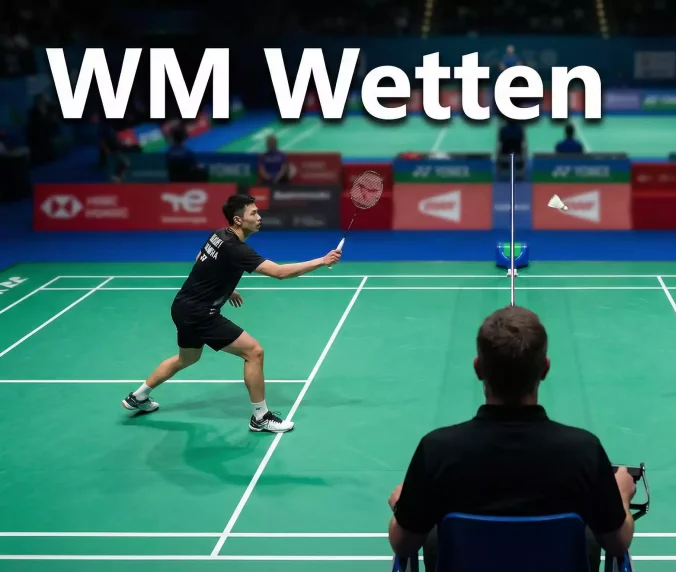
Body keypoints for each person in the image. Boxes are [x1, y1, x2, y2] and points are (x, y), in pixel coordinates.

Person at [387, 305, 637, 571]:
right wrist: (621, 495)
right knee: (589, 536)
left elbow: (402, 544)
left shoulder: (436, 451)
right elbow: (617, 542)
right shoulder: (584, 451)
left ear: (478, 368)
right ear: (545, 369)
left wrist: (403, 505)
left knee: (434, 537)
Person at [120, 194, 341, 433]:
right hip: (201, 313)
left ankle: (138, 396)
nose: (259, 217)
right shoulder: (237, 249)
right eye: (253, 213)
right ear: (238, 220)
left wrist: (225, 287)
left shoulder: (218, 235)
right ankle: (261, 417)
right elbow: (279, 272)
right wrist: (322, 260)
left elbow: (201, 258)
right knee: (254, 352)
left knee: (187, 358)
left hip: (182, 306)